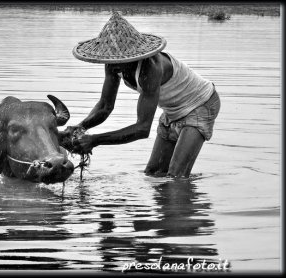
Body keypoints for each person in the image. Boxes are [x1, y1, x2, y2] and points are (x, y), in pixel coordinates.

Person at [65, 12, 220, 178]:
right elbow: (104, 106)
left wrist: (95, 140)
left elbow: (142, 128)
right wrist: (81, 127)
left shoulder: (150, 68)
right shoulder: (112, 65)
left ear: (133, 56)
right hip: (172, 110)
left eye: (119, 60)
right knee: (154, 174)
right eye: (110, 59)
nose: (114, 65)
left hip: (200, 104)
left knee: (177, 177)